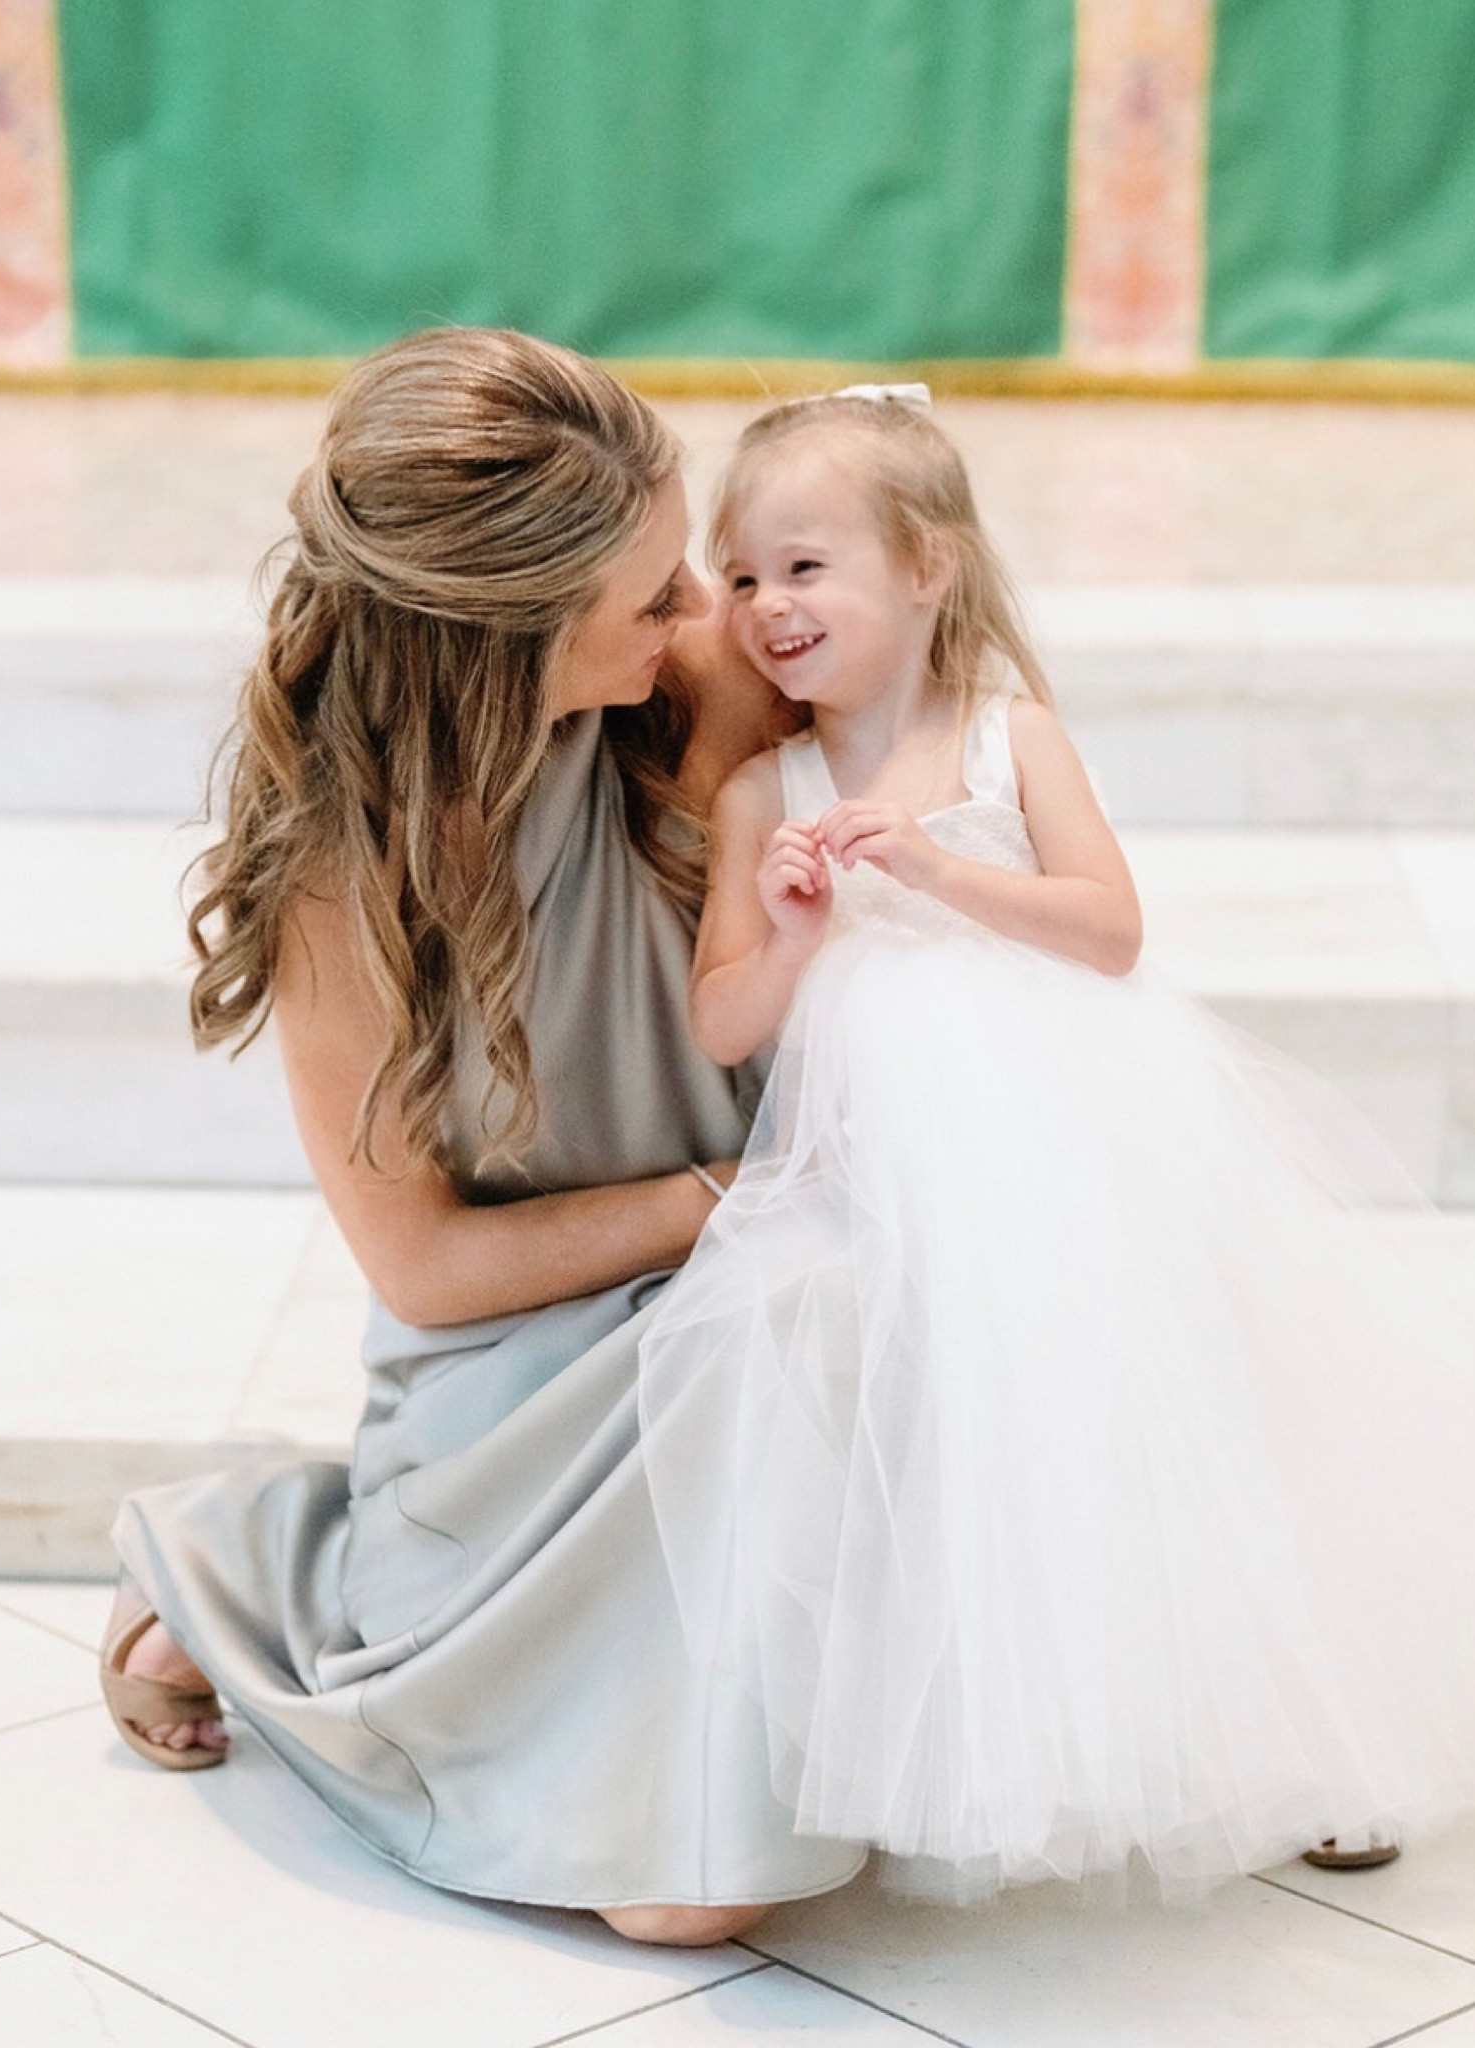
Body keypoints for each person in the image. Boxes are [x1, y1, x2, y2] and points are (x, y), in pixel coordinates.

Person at [637, 388, 1475, 1904]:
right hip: (887, 1176)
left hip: (1075, 1142)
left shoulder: (1006, 736)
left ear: (928, 567)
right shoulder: (767, 788)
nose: (764, 605)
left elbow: (1107, 932)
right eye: (743, 573)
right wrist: (803, 929)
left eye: (805, 566)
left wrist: (940, 871)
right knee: (939, 1445)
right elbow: (718, 1019)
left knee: (1152, 1426)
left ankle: (1286, 1747)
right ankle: (959, 1757)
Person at [98, 328, 868, 1945]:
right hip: (528, 1361)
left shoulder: (702, 679)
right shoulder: (344, 873)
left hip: (779, 1293)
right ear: (498, 640)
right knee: (686, 1905)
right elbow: (430, 1266)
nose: (704, 616)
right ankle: (241, 1561)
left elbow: (972, 710)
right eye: (652, 595)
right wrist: (724, 1199)